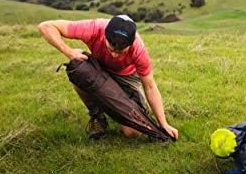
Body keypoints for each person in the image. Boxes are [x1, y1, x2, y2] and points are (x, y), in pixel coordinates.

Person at [38, 15, 179, 140]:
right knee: (79, 71)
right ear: (104, 36)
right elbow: (46, 26)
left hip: (127, 76)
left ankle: (124, 108)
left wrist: (163, 124)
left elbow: (150, 87)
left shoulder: (138, 49)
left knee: (133, 133)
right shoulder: (94, 28)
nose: (115, 55)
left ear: (131, 44)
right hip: (99, 68)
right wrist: (68, 52)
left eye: (121, 52)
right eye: (111, 49)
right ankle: (97, 116)